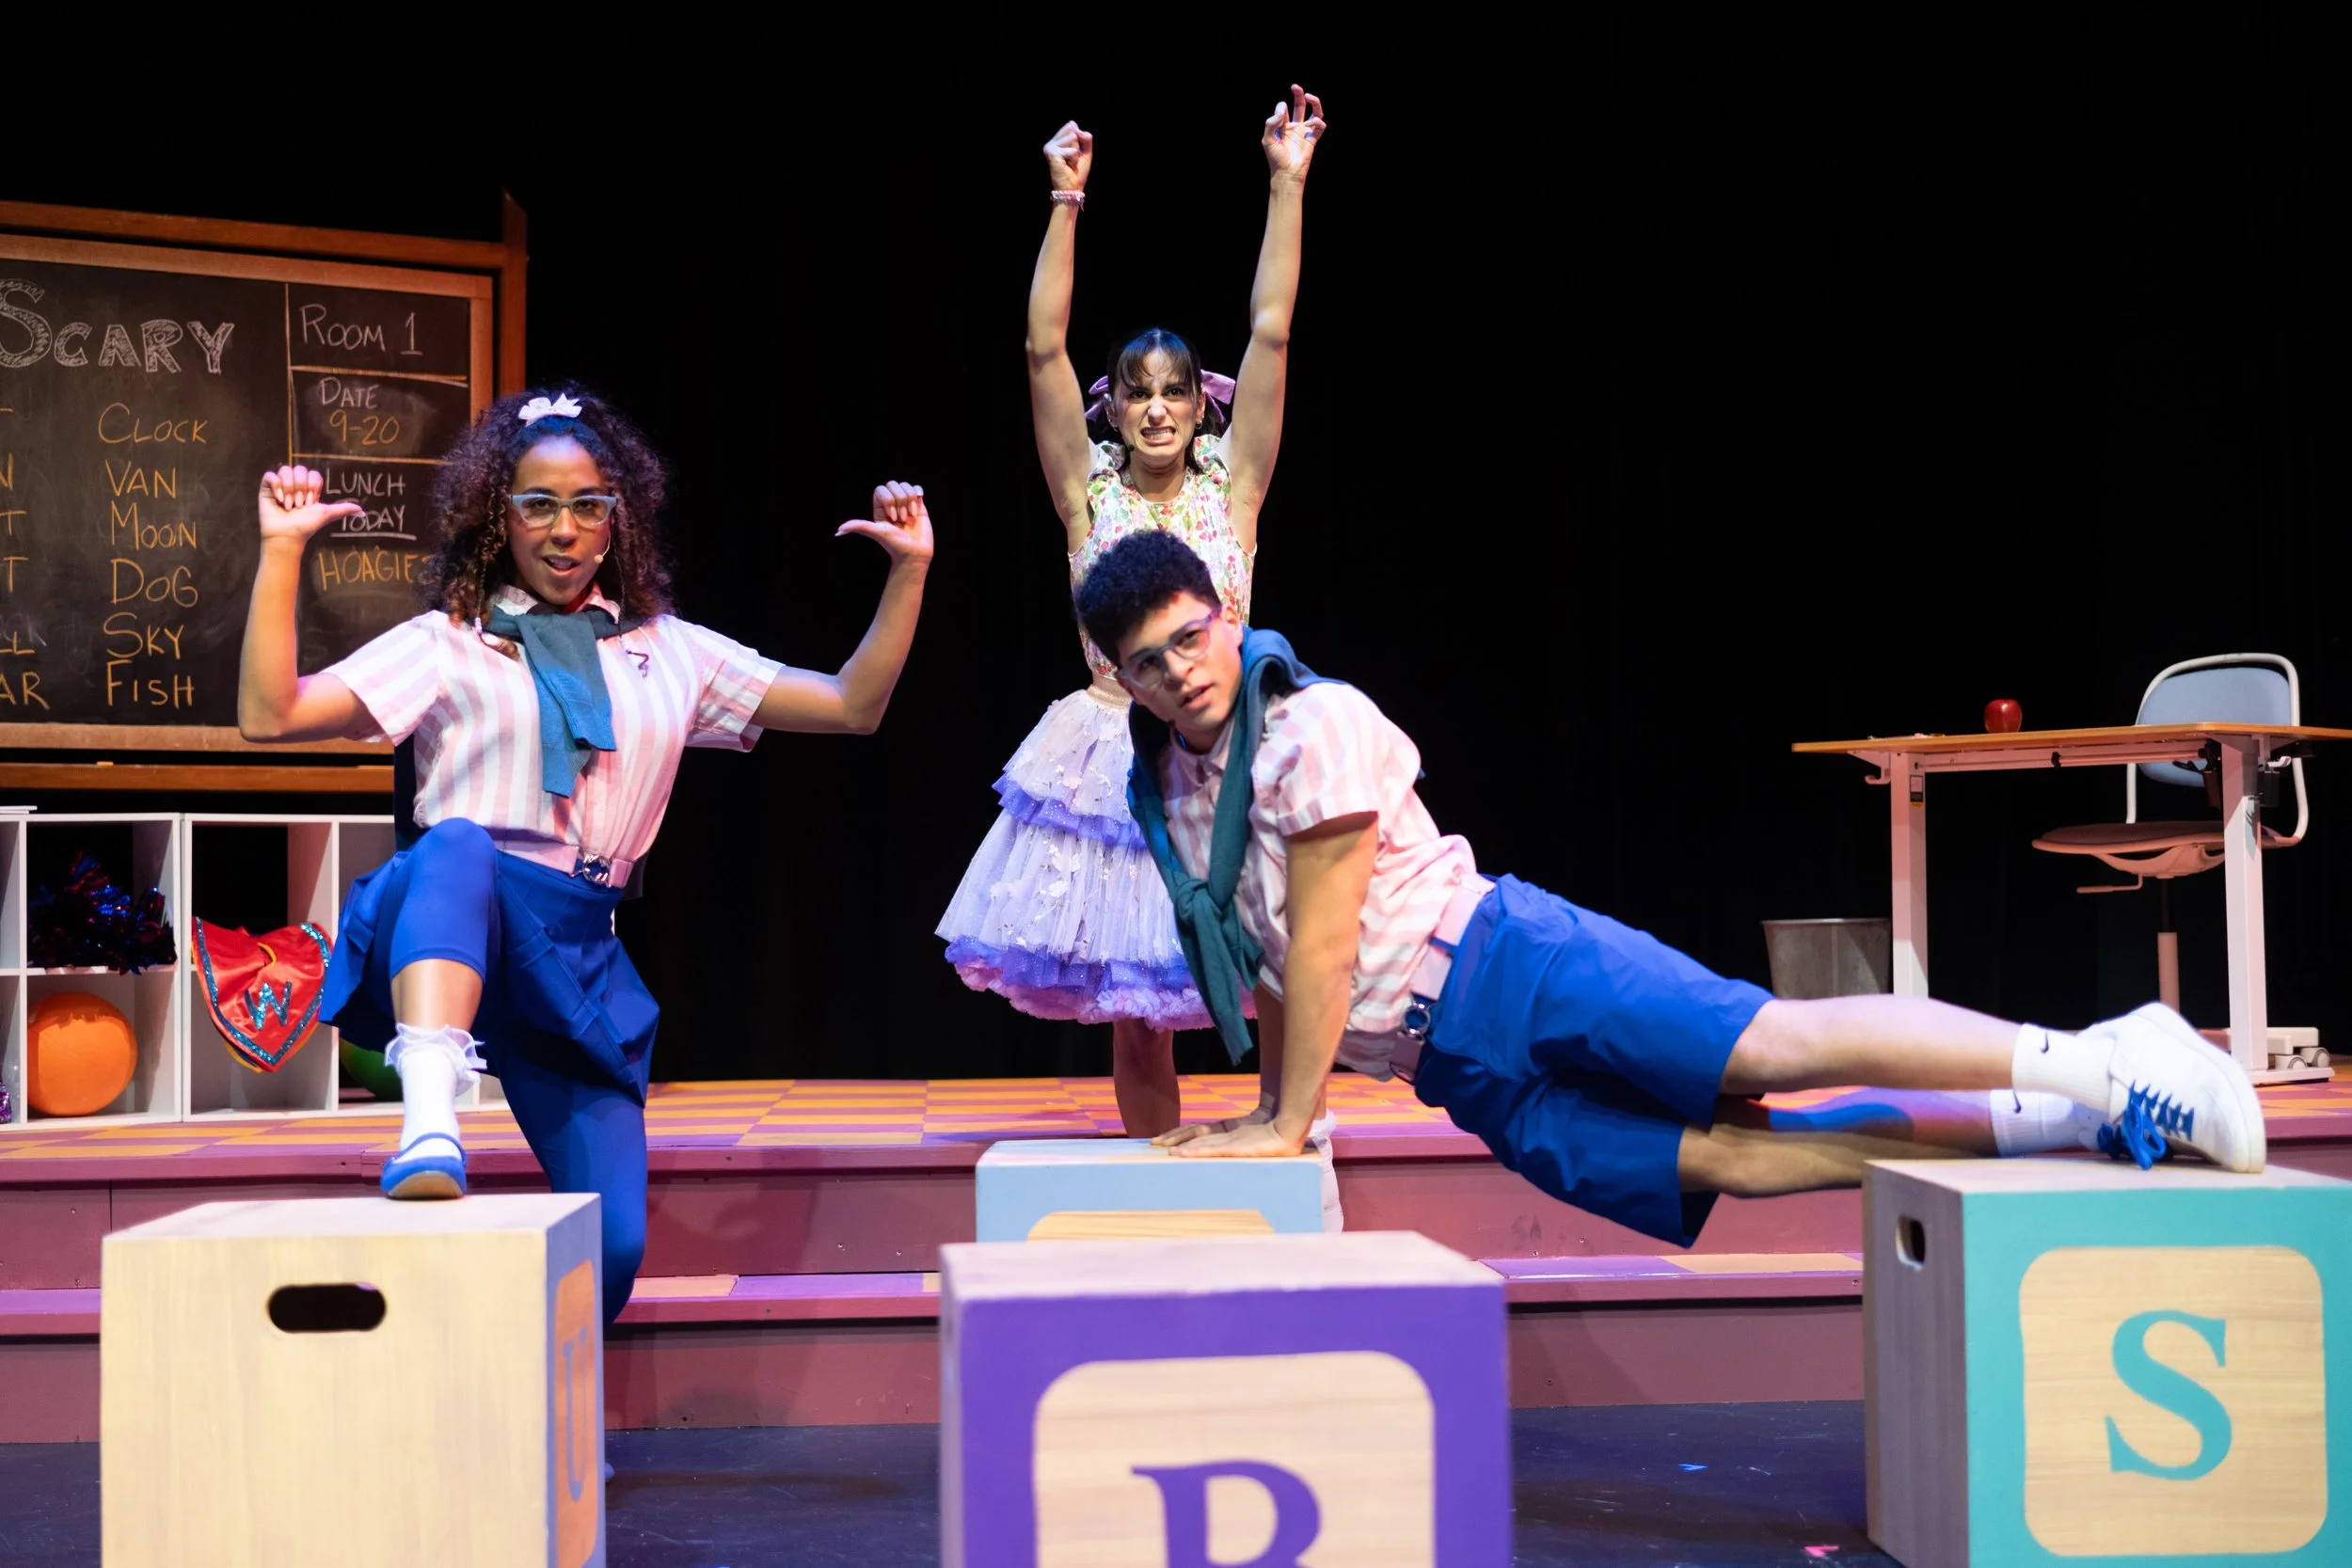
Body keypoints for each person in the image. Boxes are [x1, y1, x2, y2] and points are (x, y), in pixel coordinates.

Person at [1075, 531, 2264, 1246]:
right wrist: (1270, 1113)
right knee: (1739, 1157)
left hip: (1503, 962)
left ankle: (2103, 1058)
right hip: (1452, 1067)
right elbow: (1272, 958)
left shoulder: (1311, 724)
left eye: (1189, 636)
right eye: (1147, 661)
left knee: (1771, 1046)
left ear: (1227, 615)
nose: (1179, 671)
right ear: (1119, 677)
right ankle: (2061, 1124)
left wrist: (1286, 1121)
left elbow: (1325, 946)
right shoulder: (1170, 793)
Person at [237, 389, 933, 1321]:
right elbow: (269, 714)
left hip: (576, 949)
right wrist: (282, 552)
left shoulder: (669, 650)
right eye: (538, 504)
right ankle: (430, 1115)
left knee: (612, 1245)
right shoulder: (447, 642)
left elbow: (851, 704)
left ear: (617, 518)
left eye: (587, 504)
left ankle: (530, 1389)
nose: (563, 529)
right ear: (500, 515)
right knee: (457, 847)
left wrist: (909, 572)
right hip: (456, 916)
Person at [936, 86, 1328, 1145]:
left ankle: (1279, 1125)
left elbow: (1273, 332)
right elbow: (1041, 349)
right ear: (1113, 407)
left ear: (1201, 406)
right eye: (1136, 391)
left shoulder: (1233, 490)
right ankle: (1158, 1160)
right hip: (1116, 741)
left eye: (1174, 391)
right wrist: (1064, 202)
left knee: (1277, 953)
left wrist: (1286, 184)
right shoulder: (1088, 495)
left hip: (1229, 738)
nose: (1156, 406)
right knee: (1138, 998)